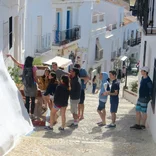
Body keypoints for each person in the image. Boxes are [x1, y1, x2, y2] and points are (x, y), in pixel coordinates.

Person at [7, 54, 38, 119]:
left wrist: (11, 56)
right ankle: (32, 114)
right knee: (33, 100)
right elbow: (35, 77)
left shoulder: (24, 66)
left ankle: (26, 114)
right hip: (32, 85)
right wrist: (37, 83)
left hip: (26, 86)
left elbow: (16, 62)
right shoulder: (34, 67)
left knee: (27, 100)